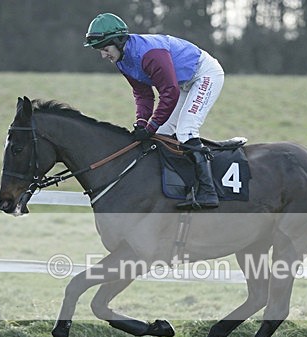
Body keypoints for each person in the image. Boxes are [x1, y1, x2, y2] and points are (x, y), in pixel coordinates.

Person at [84, 13, 224, 209]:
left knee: (186, 130)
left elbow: (169, 93)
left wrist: (151, 124)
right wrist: (141, 123)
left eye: (105, 49)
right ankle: (181, 187)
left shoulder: (149, 54)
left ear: (118, 41)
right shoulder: (122, 60)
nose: (103, 55)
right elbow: (143, 94)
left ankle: (208, 192)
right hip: (182, 83)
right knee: (162, 135)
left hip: (204, 74)